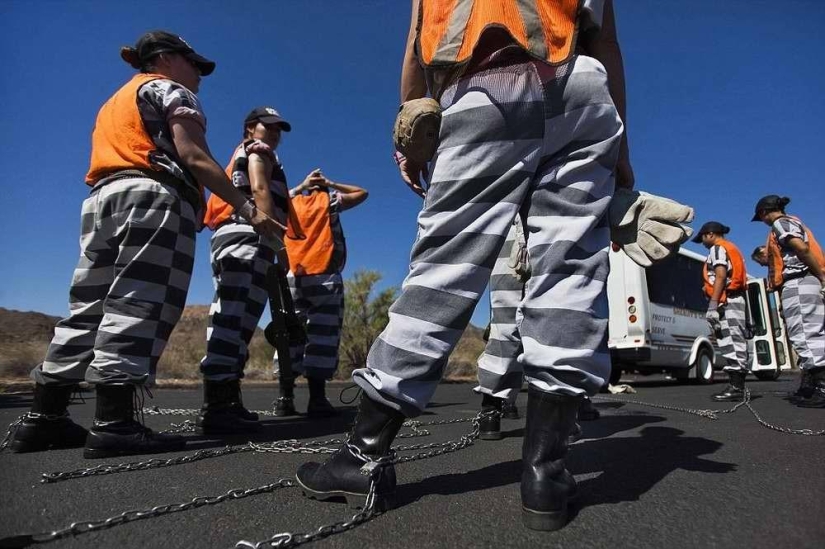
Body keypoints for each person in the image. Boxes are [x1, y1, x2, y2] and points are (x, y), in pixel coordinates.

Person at [297, 0, 631, 531]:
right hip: (583, 92)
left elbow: (416, 44)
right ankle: (545, 472)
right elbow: (606, 43)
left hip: (486, 87)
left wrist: (411, 127)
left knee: (443, 269)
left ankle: (363, 455)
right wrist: (622, 150)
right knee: (569, 272)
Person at [9, 31, 284, 457]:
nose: (199, 74)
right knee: (139, 302)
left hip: (102, 199)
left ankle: (45, 416)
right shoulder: (170, 90)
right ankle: (114, 422)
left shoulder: (116, 100)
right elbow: (192, 156)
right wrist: (248, 210)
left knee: (89, 308)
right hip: (152, 199)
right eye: (195, 64)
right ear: (168, 58)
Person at [198, 107, 316, 434]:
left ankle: (225, 400)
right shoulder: (257, 151)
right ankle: (218, 406)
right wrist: (275, 243)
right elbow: (261, 188)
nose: (275, 134)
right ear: (252, 128)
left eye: (279, 129)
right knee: (234, 317)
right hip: (247, 235)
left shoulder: (253, 149)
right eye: (270, 127)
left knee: (236, 317)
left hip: (238, 236)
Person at [272, 173, 368, 417]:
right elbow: (361, 193)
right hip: (324, 275)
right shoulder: (329, 201)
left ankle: (285, 398)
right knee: (322, 336)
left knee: (289, 335)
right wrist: (332, 183)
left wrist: (301, 185)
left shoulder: (289, 202)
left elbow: (277, 198)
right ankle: (317, 399)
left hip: (293, 276)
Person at [753, 195, 825, 408]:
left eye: (761, 216)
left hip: (799, 281)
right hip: (804, 282)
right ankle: (811, 387)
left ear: (764, 212)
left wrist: (821, 275)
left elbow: (801, 248)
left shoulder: (780, 223)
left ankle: (822, 388)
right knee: (808, 334)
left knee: (806, 335)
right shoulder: (792, 221)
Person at [692, 222, 750, 401]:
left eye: (702, 238)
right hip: (735, 299)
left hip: (727, 301)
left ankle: (737, 388)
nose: (702, 242)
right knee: (735, 340)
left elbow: (720, 275)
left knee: (731, 341)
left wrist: (713, 303)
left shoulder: (718, 249)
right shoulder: (732, 248)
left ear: (710, 234)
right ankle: (737, 386)